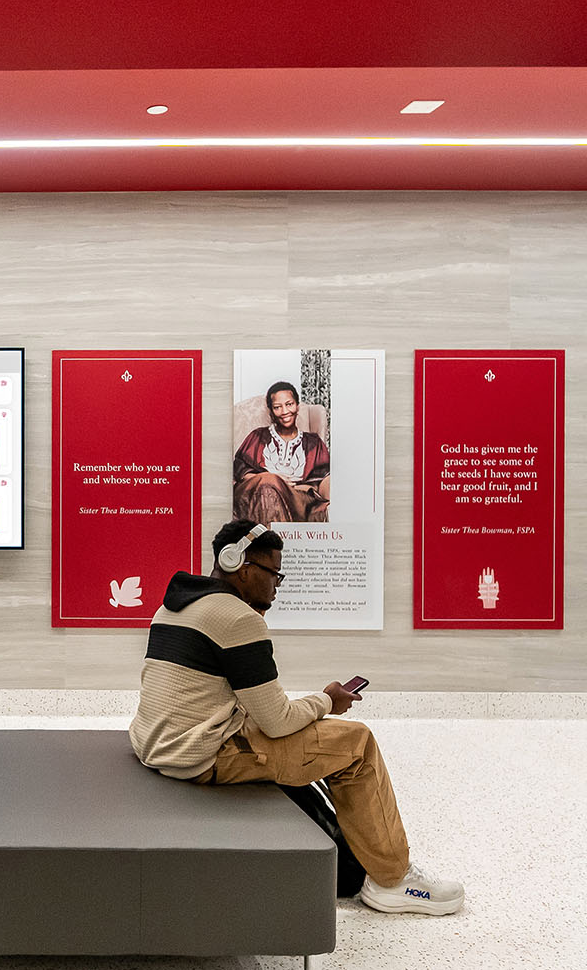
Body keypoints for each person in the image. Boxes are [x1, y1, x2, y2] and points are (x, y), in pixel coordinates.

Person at [129, 519, 463, 915]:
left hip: (156, 743)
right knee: (357, 744)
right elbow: (278, 722)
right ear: (241, 564)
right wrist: (326, 700)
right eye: (273, 573)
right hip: (200, 755)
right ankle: (392, 880)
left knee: (316, 730)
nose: (276, 584)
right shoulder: (239, 620)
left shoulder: (173, 607)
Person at [233, 380, 329, 523]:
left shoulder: (313, 443)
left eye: (289, 404)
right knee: (268, 484)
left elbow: (322, 478)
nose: (284, 412)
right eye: (277, 407)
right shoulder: (258, 437)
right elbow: (241, 471)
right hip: (258, 495)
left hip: (297, 499)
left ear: (297, 406)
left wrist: (287, 488)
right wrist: (272, 479)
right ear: (271, 411)